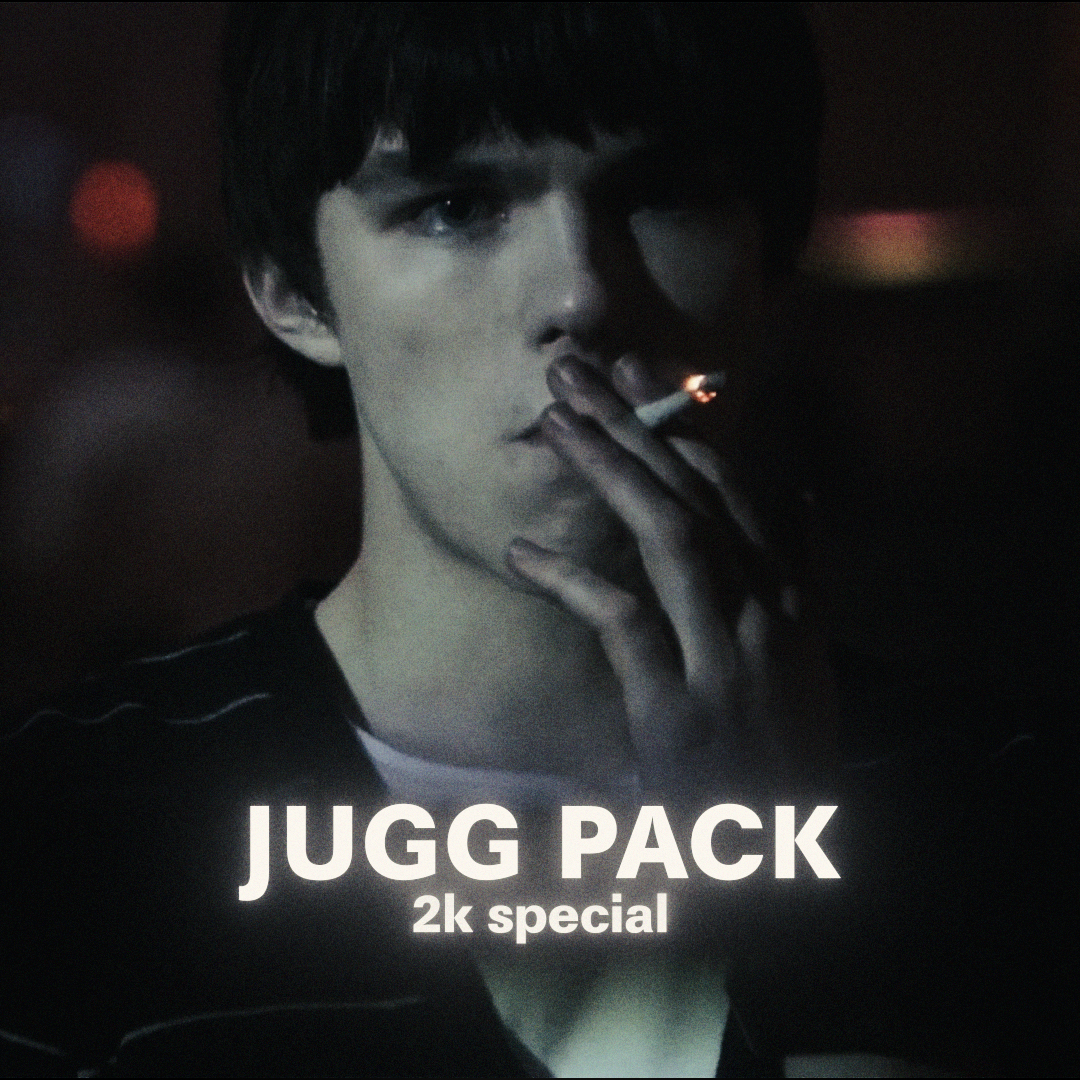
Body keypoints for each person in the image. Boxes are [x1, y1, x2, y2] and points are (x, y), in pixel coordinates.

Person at [1, 4, 1069, 1077]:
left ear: (769, 258)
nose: (581, 295)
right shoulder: (71, 825)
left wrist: (797, 899)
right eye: (454, 207)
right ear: (291, 290)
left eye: (662, 194)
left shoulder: (995, 808)